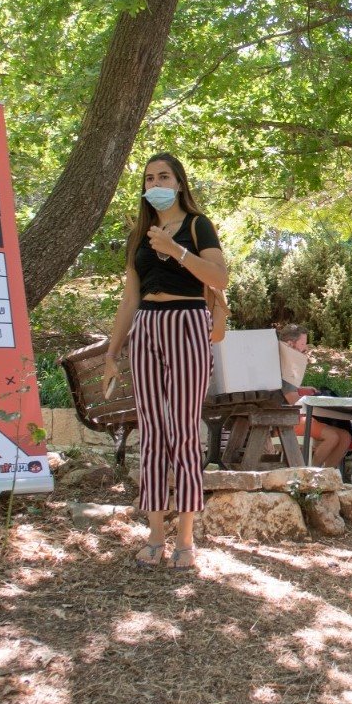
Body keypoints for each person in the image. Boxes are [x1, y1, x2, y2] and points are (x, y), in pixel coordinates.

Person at [104, 153, 228, 570]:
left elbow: (219, 278)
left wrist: (176, 251)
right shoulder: (140, 235)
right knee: (152, 431)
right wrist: (112, 351)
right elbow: (129, 297)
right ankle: (155, 535)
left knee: (183, 430)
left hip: (187, 323)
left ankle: (186, 540)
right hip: (146, 327)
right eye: (148, 177)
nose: (155, 182)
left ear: (178, 183)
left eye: (163, 176)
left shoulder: (197, 224)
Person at [280, 324, 352, 470]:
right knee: (333, 437)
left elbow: (289, 391)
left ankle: (328, 476)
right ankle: (313, 475)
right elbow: (289, 398)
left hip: (297, 417)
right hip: (285, 420)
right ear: (289, 344)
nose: (305, 348)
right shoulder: (283, 363)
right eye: (302, 344)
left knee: (345, 437)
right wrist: (309, 397)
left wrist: (302, 391)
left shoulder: (290, 364)